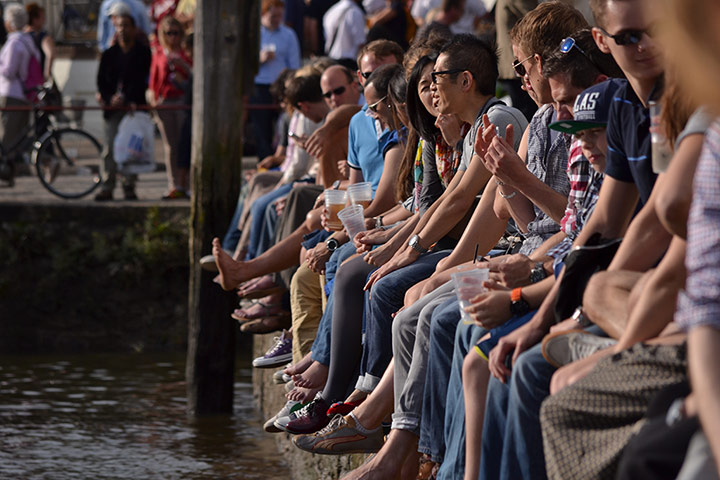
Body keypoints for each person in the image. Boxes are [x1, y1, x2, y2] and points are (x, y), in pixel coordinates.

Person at [95, 9, 152, 201]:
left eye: (126, 26)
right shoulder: (109, 54)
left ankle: (129, 186)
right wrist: (109, 97)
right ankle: (107, 185)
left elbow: (143, 80)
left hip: (133, 108)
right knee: (109, 148)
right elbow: (101, 80)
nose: (122, 30)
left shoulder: (142, 53)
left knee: (131, 148)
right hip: (112, 109)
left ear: (134, 28)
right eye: (119, 26)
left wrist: (129, 99)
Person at [251, 0, 301, 161]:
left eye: (280, 15)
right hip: (260, 86)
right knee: (261, 130)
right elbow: (243, 62)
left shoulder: (288, 34)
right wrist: (259, 59)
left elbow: (294, 64)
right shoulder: (254, 33)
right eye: (273, 15)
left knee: (285, 126)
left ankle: (283, 161)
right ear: (264, 14)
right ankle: (264, 162)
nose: (277, 19)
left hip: (281, 87)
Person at [150, 15, 192, 199]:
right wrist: (153, 98)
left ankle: (186, 184)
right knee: (170, 146)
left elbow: (194, 75)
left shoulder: (186, 52)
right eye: (169, 33)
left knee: (185, 145)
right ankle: (173, 184)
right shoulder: (159, 53)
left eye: (176, 33)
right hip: (164, 101)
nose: (173, 37)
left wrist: (182, 65)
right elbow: (154, 78)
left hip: (182, 100)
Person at [0, 3, 40, 187]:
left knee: (6, 137)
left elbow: (9, 71)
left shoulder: (14, 42)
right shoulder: (28, 40)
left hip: (11, 93)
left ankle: (5, 172)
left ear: (9, 23)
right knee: (14, 139)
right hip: (25, 94)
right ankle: (8, 174)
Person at [24, 3, 54, 80]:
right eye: (43, 18)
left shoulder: (20, 36)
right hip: (38, 79)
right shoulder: (43, 37)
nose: (44, 21)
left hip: (25, 79)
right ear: (34, 19)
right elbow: (50, 54)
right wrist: (47, 75)